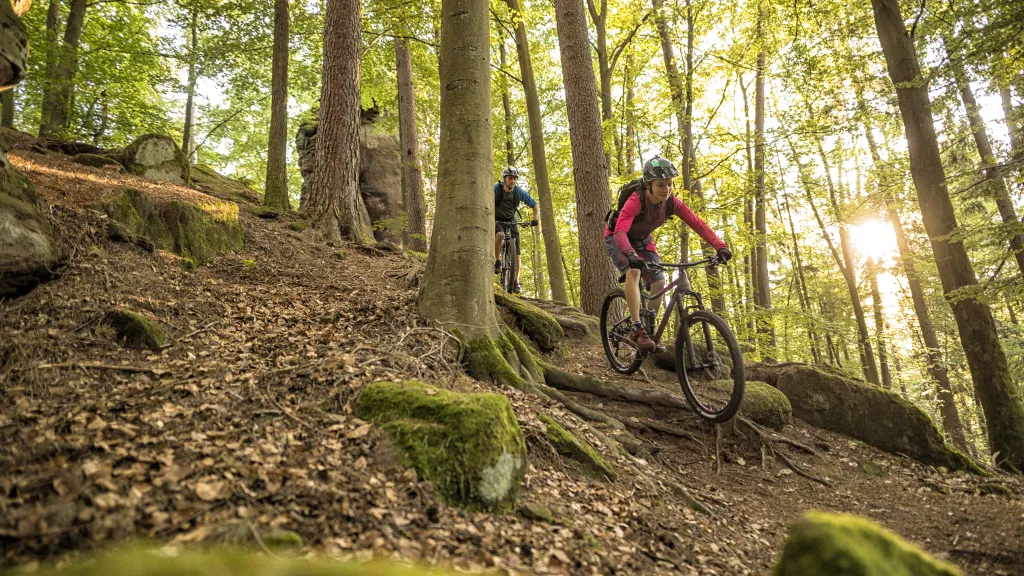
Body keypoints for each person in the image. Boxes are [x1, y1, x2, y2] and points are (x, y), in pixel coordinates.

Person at [604, 156, 732, 352]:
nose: (666, 189)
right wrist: (630, 254)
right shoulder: (636, 201)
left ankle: (650, 329)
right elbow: (620, 231)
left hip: (643, 239)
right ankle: (636, 328)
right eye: (660, 185)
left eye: (670, 184)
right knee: (633, 272)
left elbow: (697, 223)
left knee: (659, 282)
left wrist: (720, 246)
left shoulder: (672, 203)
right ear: (649, 185)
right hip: (617, 238)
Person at [494, 166, 539, 293]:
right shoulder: (496, 189)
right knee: (499, 234)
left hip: (511, 221)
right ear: (504, 179)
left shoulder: (518, 192)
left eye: (514, 179)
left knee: (517, 253)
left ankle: (515, 281)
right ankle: (497, 261)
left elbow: (534, 205)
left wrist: (535, 219)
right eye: (510, 178)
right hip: (496, 219)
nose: (512, 181)